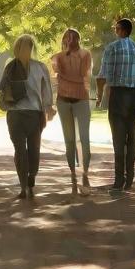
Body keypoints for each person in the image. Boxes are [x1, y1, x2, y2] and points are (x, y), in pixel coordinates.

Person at [0, 34, 55, 199]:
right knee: (20, 150)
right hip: (16, 115)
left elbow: (46, 91)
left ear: (32, 49)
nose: (24, 50)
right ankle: (23, 185)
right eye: (22, 47)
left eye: (27, 47)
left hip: (34, 115)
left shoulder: (40, 67)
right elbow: (3, 90)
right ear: (17, 49)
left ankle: (32, 175)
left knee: (34, 151)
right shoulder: (10, 67)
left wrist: (48, 107)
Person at [95, 17, 135, 192]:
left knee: (118, 138)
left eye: (117, 29)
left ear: (123, 30)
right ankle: (130, 177)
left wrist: (99, 96)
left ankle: (119, 180)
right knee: (131, 137)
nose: (115, 31)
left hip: (118, 95)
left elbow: (102, 76)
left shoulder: (111, 48)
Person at [51, 28, 93, 195]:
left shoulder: (85, 55)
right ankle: (73, 174)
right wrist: (63, 74)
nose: (70, 41)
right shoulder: (57, 57)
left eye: (74, 38)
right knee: (69, 140)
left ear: (78, 39)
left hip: (81, 100)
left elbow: (84, 76)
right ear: (63, 40)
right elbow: (54, 76)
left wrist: (64, 76)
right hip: (63, 101)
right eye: (67, 38)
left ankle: (85, 173)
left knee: (84, 138)